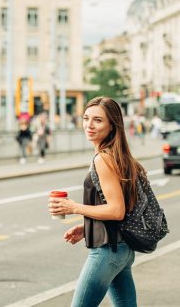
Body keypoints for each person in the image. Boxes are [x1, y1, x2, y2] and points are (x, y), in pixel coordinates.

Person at [49, 96, 147, 307]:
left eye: (98, 120)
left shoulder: (103, 159)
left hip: (107, 251)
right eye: (86, 118)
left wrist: (73, 207)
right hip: (122, 248)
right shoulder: (120, 157)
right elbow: (123, 206)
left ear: (113, 125)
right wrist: (87, 227)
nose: (89, 125)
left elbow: (117, 210)